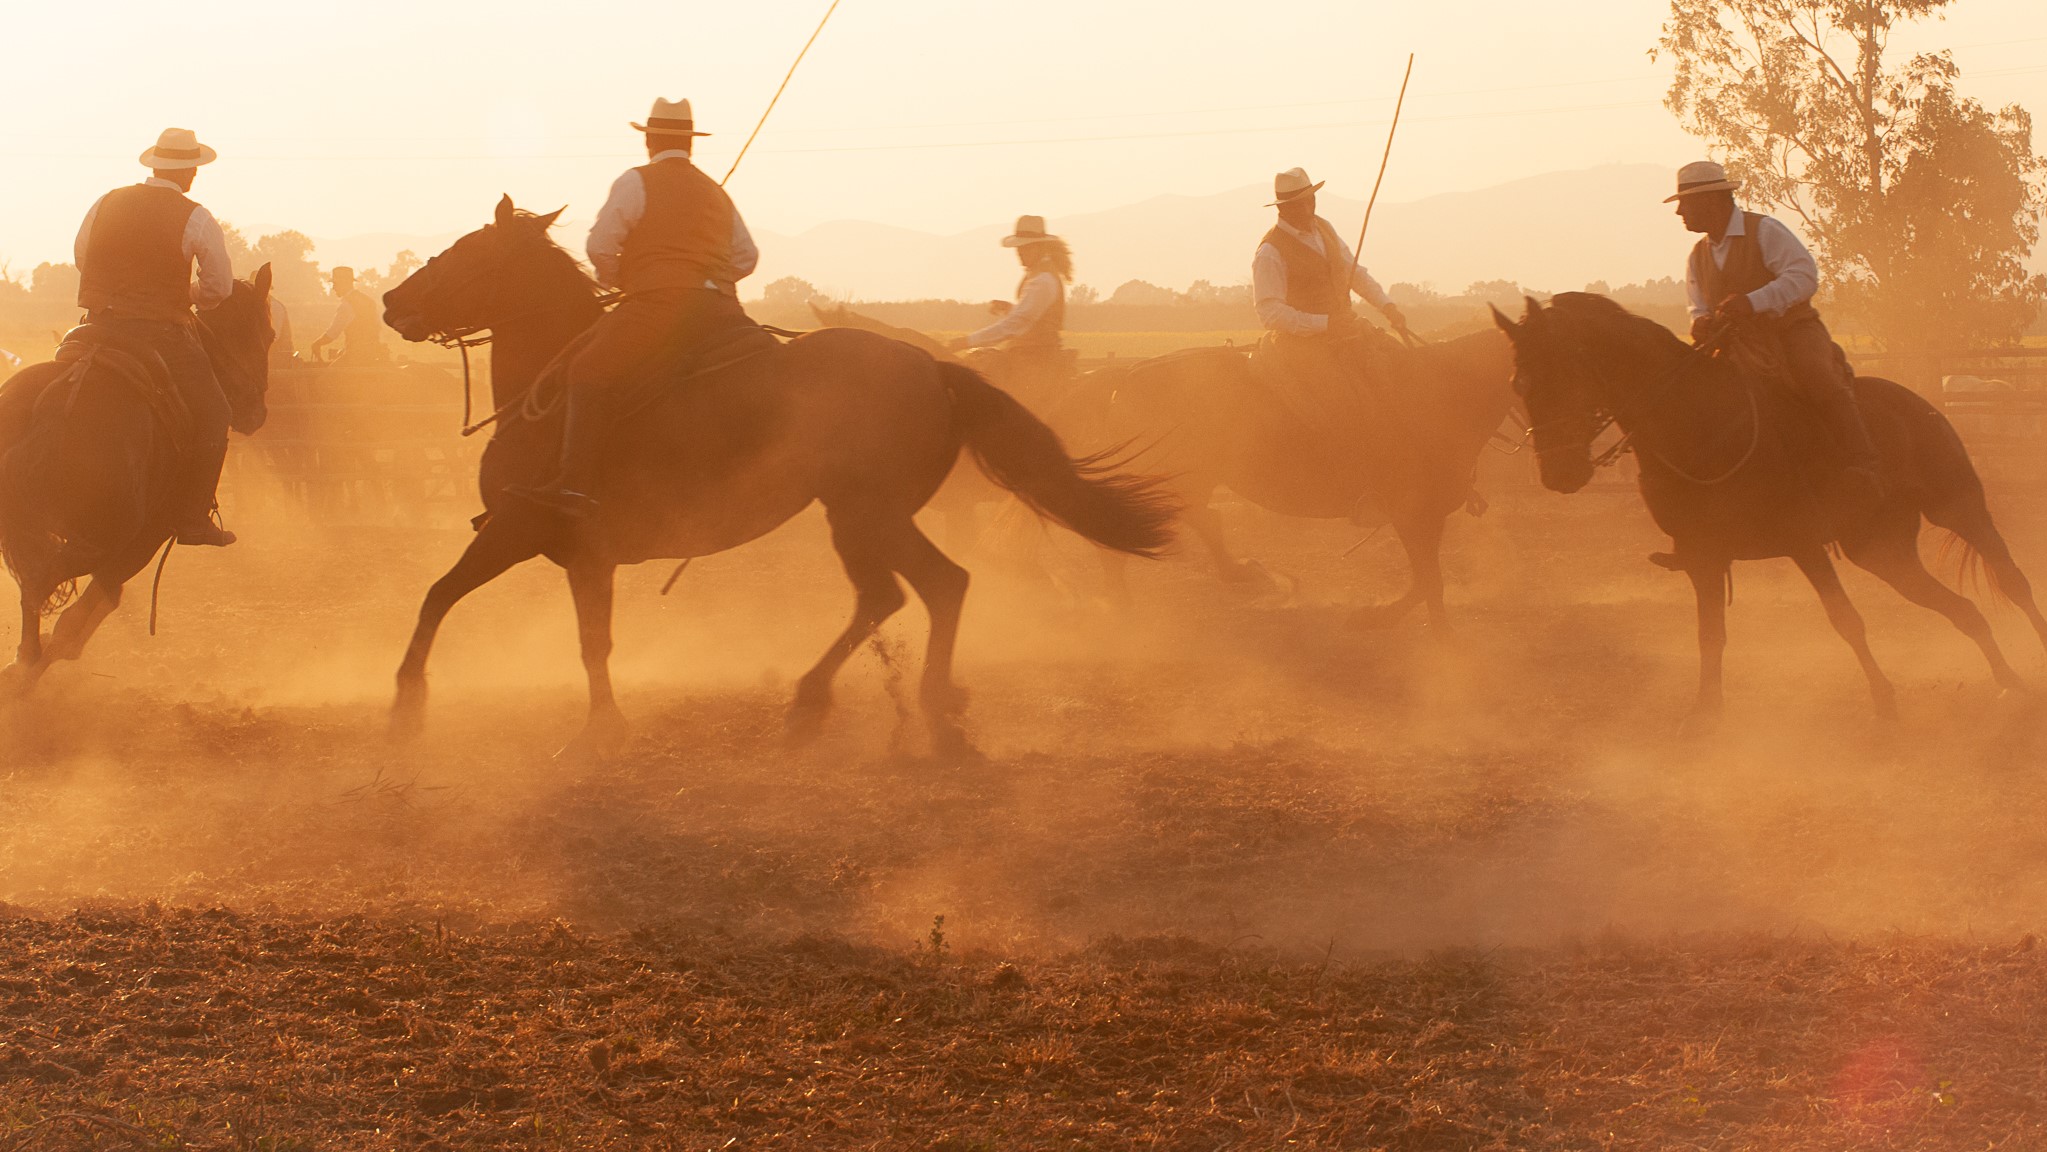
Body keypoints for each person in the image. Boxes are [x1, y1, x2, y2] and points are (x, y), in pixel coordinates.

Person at [511, 97, 760, 516]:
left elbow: (601, 245)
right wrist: (710, 281)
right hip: (722, 311)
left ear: (650, 140)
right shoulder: (716, 193)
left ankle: (574, 487)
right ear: (690, 143)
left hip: (658, 306)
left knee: (586, 370)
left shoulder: (635, 181)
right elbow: (747, 257)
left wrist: (622, 279)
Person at [1671, 160, 1880, 496]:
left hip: (1791, 330)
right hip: (1737, 342)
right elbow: (1696, 303)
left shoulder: (1765, 231)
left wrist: (1753, 302)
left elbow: (1803, 277)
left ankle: (1865, 463)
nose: (1680, 212)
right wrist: (1700, 321)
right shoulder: (1697, 255)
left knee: (1815, 373)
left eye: (1686, 203)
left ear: (1710, 201)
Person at [72, 127, 238, 546]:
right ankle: (192, 518)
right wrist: (188, 294)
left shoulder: (106, 202)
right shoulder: (195, 215)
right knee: (215, 414)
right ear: (191, 172)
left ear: (154, 164)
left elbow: (81, 256)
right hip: (162, 333)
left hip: (97, 325)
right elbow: (218, 287)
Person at [1252, 167, 1408, 345]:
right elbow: (1270, 313)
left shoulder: (1325, 229)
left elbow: (1354, 273)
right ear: (1282, 207)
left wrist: (1387, 306)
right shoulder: (1270, 252)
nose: (1306, 209)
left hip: (1347, 331)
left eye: (1310, 201)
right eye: (1298, 204)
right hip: (1303, 346)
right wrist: (1325, 323)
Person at [947, 215, 1071, 396]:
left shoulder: (1043, 280)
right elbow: (1028, 317)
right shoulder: (1038, 275)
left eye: (1026, 248)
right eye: (1019, 248)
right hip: (1028, 357)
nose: (1020, 253)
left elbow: (1017, 324)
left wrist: (967, 341)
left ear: (1040, 247)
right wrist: (1009, 309)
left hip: (1035, 362)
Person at [309, 266, 386, 365]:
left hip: (356, 356)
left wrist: (316, 344)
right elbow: (377, 327)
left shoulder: (346, 305)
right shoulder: (368, 301)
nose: (333, 288)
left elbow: (332, 334)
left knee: (325, 378)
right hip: (373, 353)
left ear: (343, 283)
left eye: (335, 284)